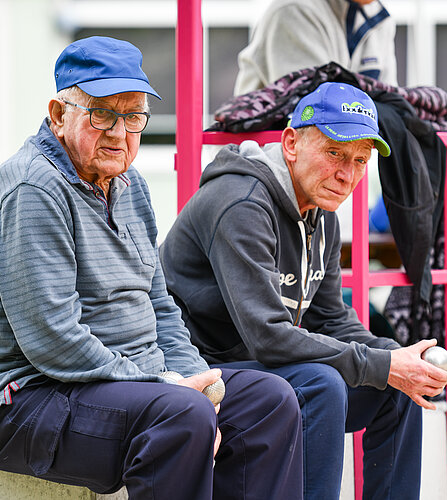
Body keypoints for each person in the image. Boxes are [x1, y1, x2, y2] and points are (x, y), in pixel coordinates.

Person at [0, 36, 304, 500]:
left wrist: (198, 383)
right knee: (180, 413)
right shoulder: (34, 187)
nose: (120, 134)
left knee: (270, 399)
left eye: (134, 116)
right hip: (35, 397)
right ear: (60, 116)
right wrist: (168, 385)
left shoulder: (131, 184)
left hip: (135, 385)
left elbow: (160, 306)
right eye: (102, 113)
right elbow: (53, 340)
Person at [160, 82, 447, 500]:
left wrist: (398, 360)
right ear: (291, 142)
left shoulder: (320, 213)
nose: (346, 175)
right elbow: (268, 335)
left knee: (397, 383)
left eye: (359, 160)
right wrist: (381, 363)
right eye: (334, 153)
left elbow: (331, 318)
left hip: (262, 365)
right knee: (323, 384)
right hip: (204, 371)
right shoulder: (241, 202)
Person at [234, 0, 398, 96]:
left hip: (343, 149)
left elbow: (393, 104)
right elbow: (317, 109)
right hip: (265, 151)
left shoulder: (381, 20)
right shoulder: (295, 10)